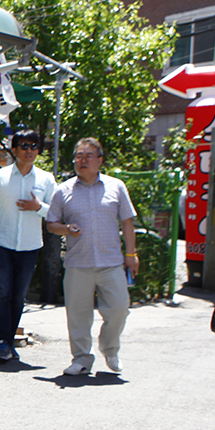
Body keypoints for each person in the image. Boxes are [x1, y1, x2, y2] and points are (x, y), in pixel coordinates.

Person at [45, 138, 139, 376]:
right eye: (78, 156)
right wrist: (66, 229)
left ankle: (110, 348)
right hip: (78, 263)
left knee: (119, 308)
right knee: (78, 314)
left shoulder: (116, 186)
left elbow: (127, 222)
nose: (82, 160)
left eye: (88, 156)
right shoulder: (63, 190)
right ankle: (82, 358)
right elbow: (51, 224)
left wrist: (131, 254)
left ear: (100, 160)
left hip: (111, 262)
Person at [0, 129, 56, 364]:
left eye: (34, 146)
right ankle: (3, 343)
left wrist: (38, 206)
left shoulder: (46, 179)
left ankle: (9, 341)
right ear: (14, 150)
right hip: (2, 242)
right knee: (2, 293)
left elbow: (55, 213)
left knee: (18, 296)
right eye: (24, 146)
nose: (29, 150)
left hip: (30, 246)